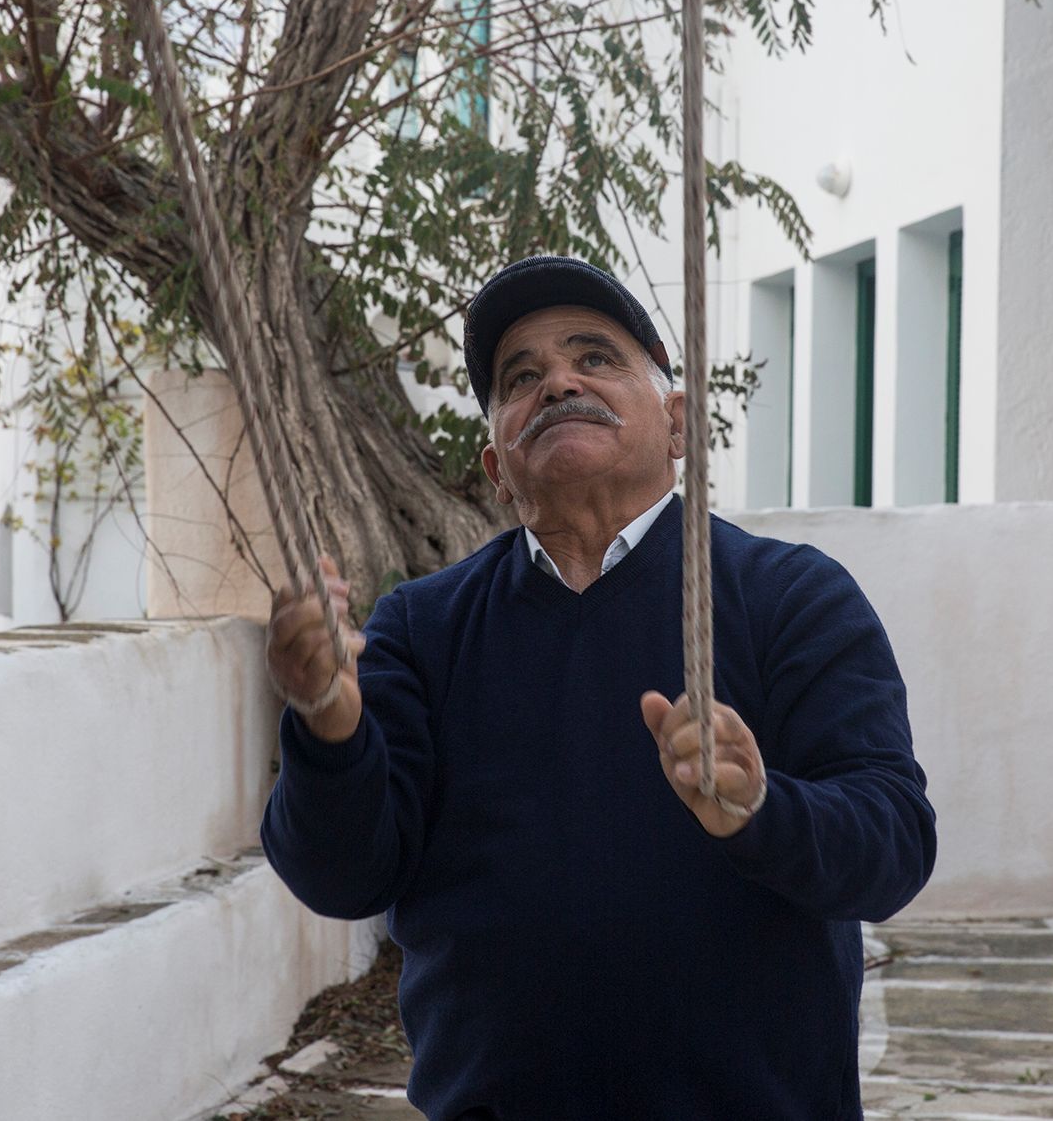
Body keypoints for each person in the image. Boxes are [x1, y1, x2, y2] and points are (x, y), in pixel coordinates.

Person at [261, 255, 934, 1120]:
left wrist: (762, 810)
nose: (557, 383)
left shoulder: (790, 596)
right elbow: (341, 878)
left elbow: (892, 845)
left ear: (677, 423)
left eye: (595, 357)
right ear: (496, 465)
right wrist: (326, 721)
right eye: (521, 377)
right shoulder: (422, 629)